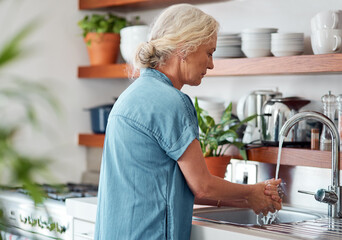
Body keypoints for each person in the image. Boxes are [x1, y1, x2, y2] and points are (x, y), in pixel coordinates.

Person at [94, 4, 282, 240]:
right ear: (184, 49)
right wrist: (251, 192)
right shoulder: (172, 102)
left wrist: (249, 193)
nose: (211, 64)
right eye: (209, 52)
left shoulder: (130, 96)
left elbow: (178, 187)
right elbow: (202, 185)